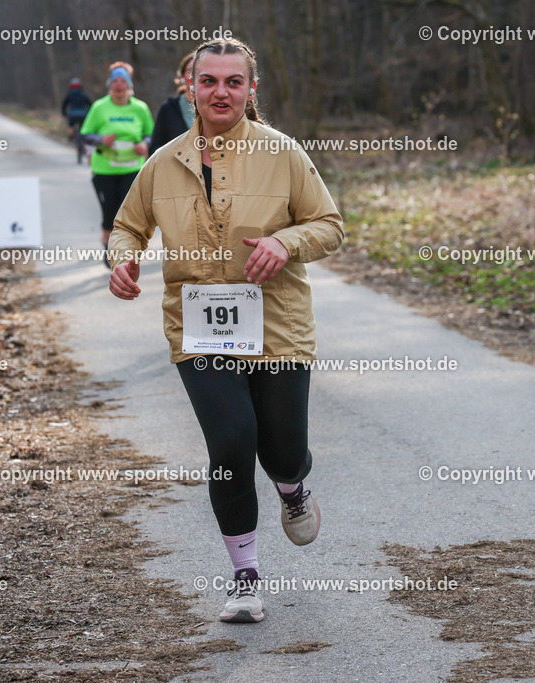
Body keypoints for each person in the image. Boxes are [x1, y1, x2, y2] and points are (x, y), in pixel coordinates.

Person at [108, 38, 344, 623]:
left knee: (283, 450)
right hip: (199, 328)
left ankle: (293, 486)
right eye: (208, 81)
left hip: (277, 325)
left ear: (250, 89)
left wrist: (284, 242)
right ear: (191, 88)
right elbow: (127, 226)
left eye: (233, 82)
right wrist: (122, 258)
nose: (220, 92)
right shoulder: (163, 162)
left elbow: (330, 225)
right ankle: (244, 576)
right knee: (232, 441)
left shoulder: (284, 153)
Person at [78, 64, 153, 266]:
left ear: (129, 86)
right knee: (109, 211)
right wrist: (102, 139)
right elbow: (85, 136)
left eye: (122, 82)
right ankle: (107, 243)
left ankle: (124, 252)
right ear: (109, 86)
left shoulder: (140, 108)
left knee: (127, 212)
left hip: (132, 168)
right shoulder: (99, 107)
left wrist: (144, 144)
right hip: (104, 169)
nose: (118, 85)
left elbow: (150, 133)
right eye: (115, 82)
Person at [150, 52, 195, 155]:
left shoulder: (218, 107)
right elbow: (155, 148)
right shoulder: (168, 108)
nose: (193, 76)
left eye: (197, 71)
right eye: (189, 71)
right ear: (182, 76)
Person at [61, 78, 92, 163]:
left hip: (72, 114)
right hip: (83, 114)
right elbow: (90, 104)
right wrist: (90, 113)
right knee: (83, 129)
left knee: (71, 125)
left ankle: (71, 137)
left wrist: (64, 114)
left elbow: (64, 105)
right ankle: (84, 141)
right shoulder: (83, 94)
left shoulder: (69, 94)